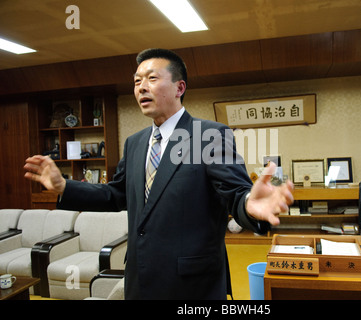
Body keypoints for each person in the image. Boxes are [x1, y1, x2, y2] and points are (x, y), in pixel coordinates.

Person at [24, 48, 294, 300]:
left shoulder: (207, 136)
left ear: (179, 87)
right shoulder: (135, 143)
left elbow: (234, 194)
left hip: (191, 284)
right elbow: (115, 195)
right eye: (136, 81)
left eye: (152, 78)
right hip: (140, 278)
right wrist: (64, 187)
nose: (141, 87)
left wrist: (249, 204)